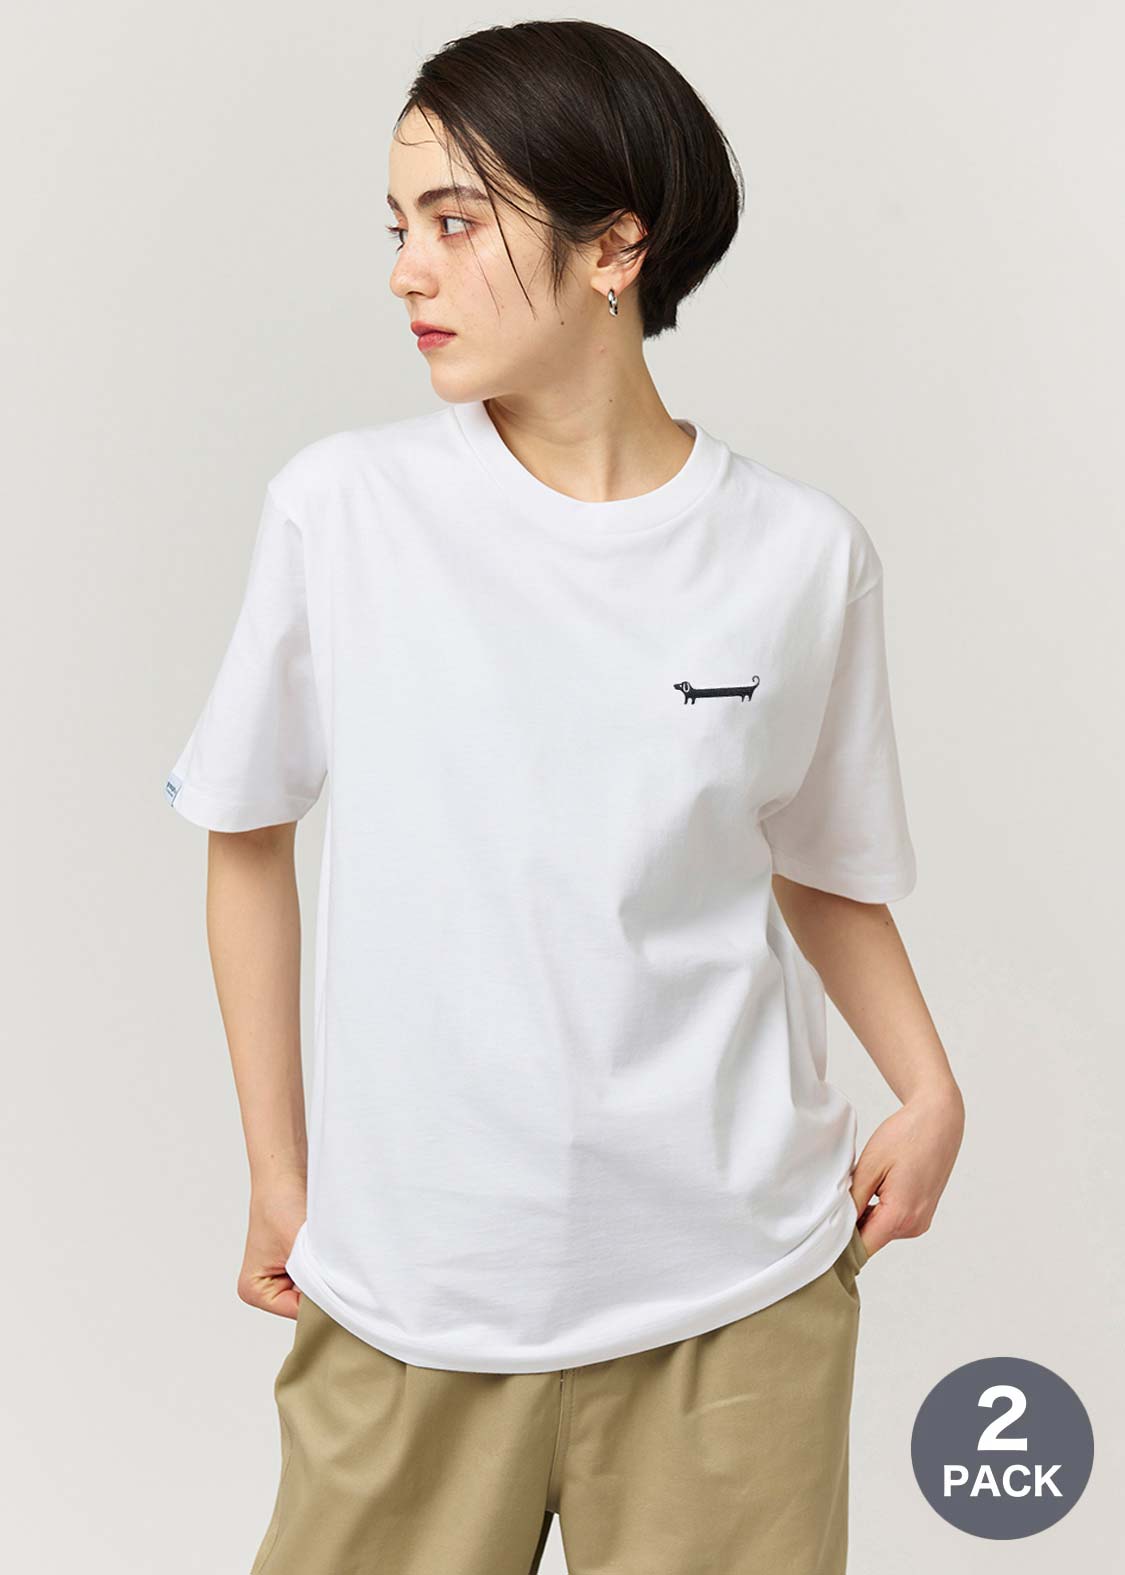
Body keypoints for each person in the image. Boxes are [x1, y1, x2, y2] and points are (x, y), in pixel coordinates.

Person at [164, 19, 964, 1574]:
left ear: (615, 248)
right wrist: (280, 1173)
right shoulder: (344, 511)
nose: (408, 271)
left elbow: (818, 863)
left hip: (733, 1299)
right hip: (410, 1292)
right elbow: (244, 836)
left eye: (457, 223)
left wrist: (928, 1091)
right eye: (399, 227)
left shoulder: (799, 556)